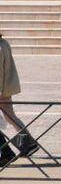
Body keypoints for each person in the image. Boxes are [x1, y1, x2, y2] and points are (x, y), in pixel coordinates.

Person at [0, 33, 38, 168]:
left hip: (2, 89)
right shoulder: (4, 43)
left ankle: (6, 152)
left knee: (10, 117)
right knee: (10, 117)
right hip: (6, 88)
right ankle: (29, 143)